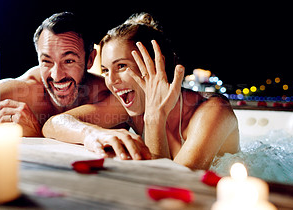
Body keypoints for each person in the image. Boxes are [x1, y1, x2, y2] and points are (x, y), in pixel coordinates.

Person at [43, 13, 239, 170]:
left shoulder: (213, 111)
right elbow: (53, 124)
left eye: (121, 66)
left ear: (154, 63)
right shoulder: (129, 105)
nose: (110, 81)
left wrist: (155, 118)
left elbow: (172, 186)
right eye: (105, 70)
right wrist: (91, 134)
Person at [0, 12, 131, 137]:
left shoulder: (111, 96)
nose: (57, 76)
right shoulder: (17, 94)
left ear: (90, 60)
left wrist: (36, 134)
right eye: (47, 61)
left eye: (68, 61)